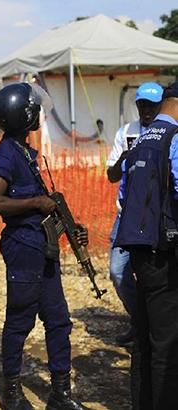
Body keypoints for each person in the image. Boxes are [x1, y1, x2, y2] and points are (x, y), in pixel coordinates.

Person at [0, 83, 88, 410]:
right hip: (23, 248)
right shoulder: (6, 153)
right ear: (23, 115)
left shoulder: (24, 151)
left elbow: (46, 205)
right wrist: (35, 202)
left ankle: (60, 394)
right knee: (19, 322)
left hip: (43, 248)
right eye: (34, 109)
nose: (40, 115)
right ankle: (11, 395)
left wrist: (72, 227)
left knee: (58, 320)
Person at [115, 81, 178, 410]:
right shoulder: (174, 139)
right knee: (166, 345)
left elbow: (126, 195)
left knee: (144, 338)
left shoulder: (140, 140)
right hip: (163, 255)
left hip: (139, 251)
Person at [105, 82, 163, 346]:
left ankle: (155, 327)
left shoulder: (169, 133)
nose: (147, 109)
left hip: (157, 217)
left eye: (152, 104)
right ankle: (139, 320)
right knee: (118, 271)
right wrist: (125, 157)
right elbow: (111, 175)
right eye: (142, 104)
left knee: (155, 274)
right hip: (126, 215)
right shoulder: (126, 132)